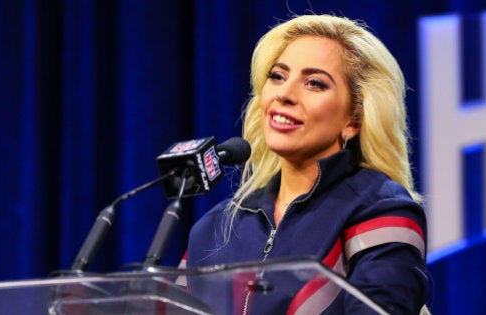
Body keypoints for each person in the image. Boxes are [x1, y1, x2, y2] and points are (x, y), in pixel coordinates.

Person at [180, 14, 429, 314]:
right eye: (277, 76)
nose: (285, 94)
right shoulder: (213, 227)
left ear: (354, 119)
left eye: (314, 83)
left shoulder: (380, 211)